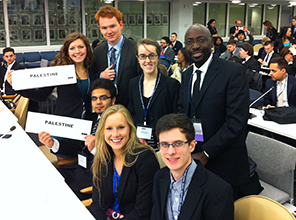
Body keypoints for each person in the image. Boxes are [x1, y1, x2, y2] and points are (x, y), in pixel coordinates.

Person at [178, 24, 251, 200]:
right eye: (189, 42)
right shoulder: (187, 75)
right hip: (193, 159)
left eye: (200, 40)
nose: (194, 46)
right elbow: (182, 114)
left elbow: (236, 122)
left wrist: (206, 153)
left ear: (211, 43)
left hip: (224, 163)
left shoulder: (233, 71)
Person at [38, 78, 116, 200]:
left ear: (113, 101)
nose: (98, 102)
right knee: (43, 179)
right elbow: (76, 146)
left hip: (93, 178)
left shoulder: (117, 126)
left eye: (103, 98)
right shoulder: (90, 119)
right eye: (94, 98)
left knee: (53, 196)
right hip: (77, 167)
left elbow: (114, 162)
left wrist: (95, 149)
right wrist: (53, 144)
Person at [151, 113, 234, 220]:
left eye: (178, 143)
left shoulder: (218, 191)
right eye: (164, 144)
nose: (170, 151)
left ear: (192, 146)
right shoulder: (159, 177)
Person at [90, 104, 159, 220]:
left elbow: (143, 212)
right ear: (102, 132)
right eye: (109, 128)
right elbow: (98, 204)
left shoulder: (145, 158)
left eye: (121, 127)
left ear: (130, 129)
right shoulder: (102, 157)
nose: (115, 134)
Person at [7, 32, 95, 120]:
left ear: (87, 48)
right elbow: (40, 95)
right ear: (67, 52)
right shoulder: (60, 70)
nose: (77, 51)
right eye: (72, 48)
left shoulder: (92, 69)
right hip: (66, 123)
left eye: (81, 47)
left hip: (88, 121)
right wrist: (18, 85)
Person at [128, 38, 180, 149]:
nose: (147, 60)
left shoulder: (172, 85)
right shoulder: (133, 84)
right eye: (142, 56)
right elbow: (131, 113)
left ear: (158, 56)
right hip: (139, 143)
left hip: (165, 145)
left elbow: (176, 116)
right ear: (137, 58)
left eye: (152, 55)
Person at [91, 5, 140, 107]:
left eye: (112, 26)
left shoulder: (136, 48)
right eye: (104, 28)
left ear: (121, 25)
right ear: (100, 29)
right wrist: (101, 76)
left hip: (130, 106)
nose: (109, 31)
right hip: (105, 107)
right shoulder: (97, 51)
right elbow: (91, 77)